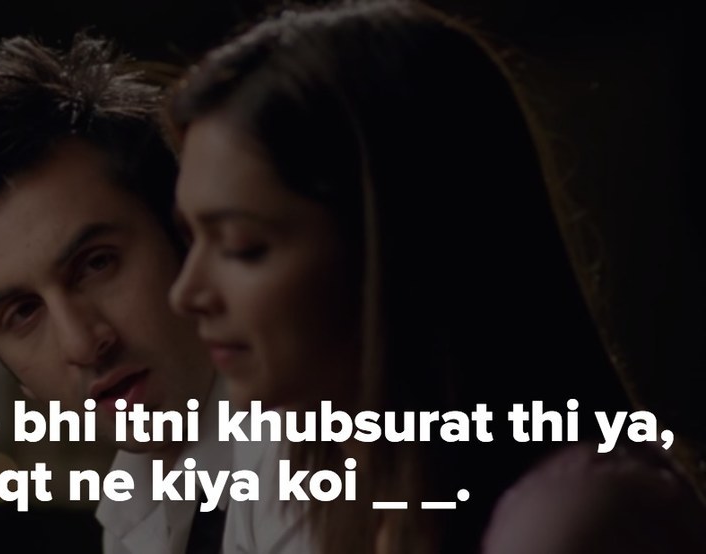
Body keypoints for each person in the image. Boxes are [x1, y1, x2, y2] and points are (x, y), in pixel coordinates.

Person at [166, 1, 706, 552]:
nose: (186, 294)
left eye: (243, 246)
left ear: (397, 246)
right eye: (191, 239)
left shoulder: (568, 519)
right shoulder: (350, 495)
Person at [0, 33, 229, 553]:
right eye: (23, 312)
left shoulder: (324, 459)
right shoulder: (138, 510)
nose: (83, 342)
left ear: (189, 242)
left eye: (96, 264)